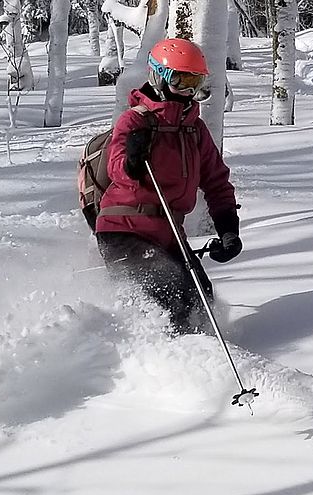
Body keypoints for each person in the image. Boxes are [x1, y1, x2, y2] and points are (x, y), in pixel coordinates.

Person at [95, 38, 242, 335]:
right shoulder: (134, 121)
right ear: (158, 77)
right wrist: (133, 160)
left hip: (169, 233)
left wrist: (228, 229)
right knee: (171, 298)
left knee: (201, 301)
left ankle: (203, 361)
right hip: (124, 230)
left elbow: (216, 180)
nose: (188, 92)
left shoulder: (193, 129)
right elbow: (117, 166)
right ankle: (152, 364)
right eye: (181, 81)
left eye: (195, 82)